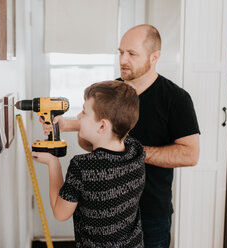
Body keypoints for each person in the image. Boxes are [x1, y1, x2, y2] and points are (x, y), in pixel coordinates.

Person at [41, 24, 200, 248]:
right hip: (99, 211)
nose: (123, 60)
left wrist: (129, 155)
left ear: (155, 57)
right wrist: (71, 125)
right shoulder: (113, 90)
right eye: (121, 52)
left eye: (132, 54)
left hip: (151, 213)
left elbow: (190, 155)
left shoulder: (176, 99)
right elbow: (95, 140)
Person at [32, 81, 146, 248]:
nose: (78, 117)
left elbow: (60, 212)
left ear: (102, 125)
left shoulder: (83, 167)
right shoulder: (135, 150)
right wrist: (65, 125)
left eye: (84, 112)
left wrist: (53, 163)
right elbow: (111, 129)